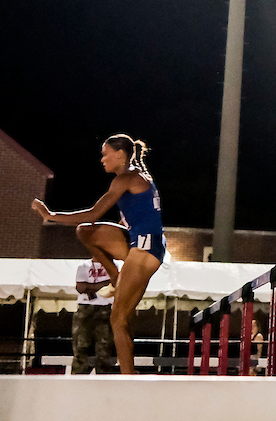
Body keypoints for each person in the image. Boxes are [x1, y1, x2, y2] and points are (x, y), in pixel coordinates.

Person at [31, 134, 166, 375]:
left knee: (117, 319)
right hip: (142, 241)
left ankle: (128, 378)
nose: (102, 159)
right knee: (85, 233)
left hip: (146, 249)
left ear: (120, 154)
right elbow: (139, 213)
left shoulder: (126, 178)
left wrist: (50, 216)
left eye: (105, 154)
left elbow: (93, 213)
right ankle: (115, 275)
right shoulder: (136, 177)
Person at [71, 257, 116, 374]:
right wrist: (104, 285)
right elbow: (81, 287)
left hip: (105, 307)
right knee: (80, 346)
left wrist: (90, 287)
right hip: (85, 307)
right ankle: (78, 377)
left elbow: (116, 283)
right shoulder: (84, 266)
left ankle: (102, 380)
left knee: (104, 349)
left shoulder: (113, 265)